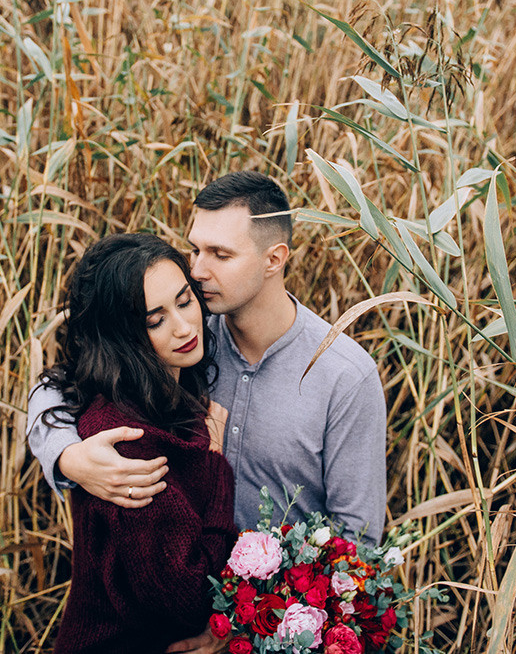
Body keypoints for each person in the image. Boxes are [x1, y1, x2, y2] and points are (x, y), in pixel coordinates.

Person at [27, 171, 387, 653]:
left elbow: (356, 540)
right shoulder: (183, 339)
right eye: (195, 249)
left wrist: (244, 627)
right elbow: (57, 386)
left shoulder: (343, 376)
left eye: (220, 254)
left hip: (278, 631)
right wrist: (68, 457)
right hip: (167, 621)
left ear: (274, 259)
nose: (197, 270)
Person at [43, 233, 236, 654]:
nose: (184, 327)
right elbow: (191, 599)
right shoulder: (128, 443)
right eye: (155, 320)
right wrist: (216, 466)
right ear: (122, 336)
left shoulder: (171, 396)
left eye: (185, 302)